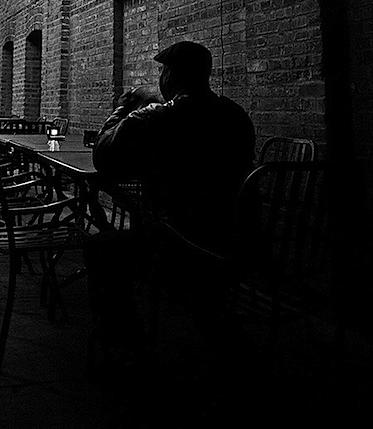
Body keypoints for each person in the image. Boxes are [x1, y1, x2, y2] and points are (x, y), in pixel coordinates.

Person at [85, 40, 256, 386]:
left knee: (101, 248)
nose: (160, 77)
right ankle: (219, 334)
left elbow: (104, 155)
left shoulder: (157, 117)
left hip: (179, 244)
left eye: (164, 70)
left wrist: (122, 108)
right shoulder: (236, 115)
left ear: (171, 76)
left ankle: (129, 351)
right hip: (233, 239)